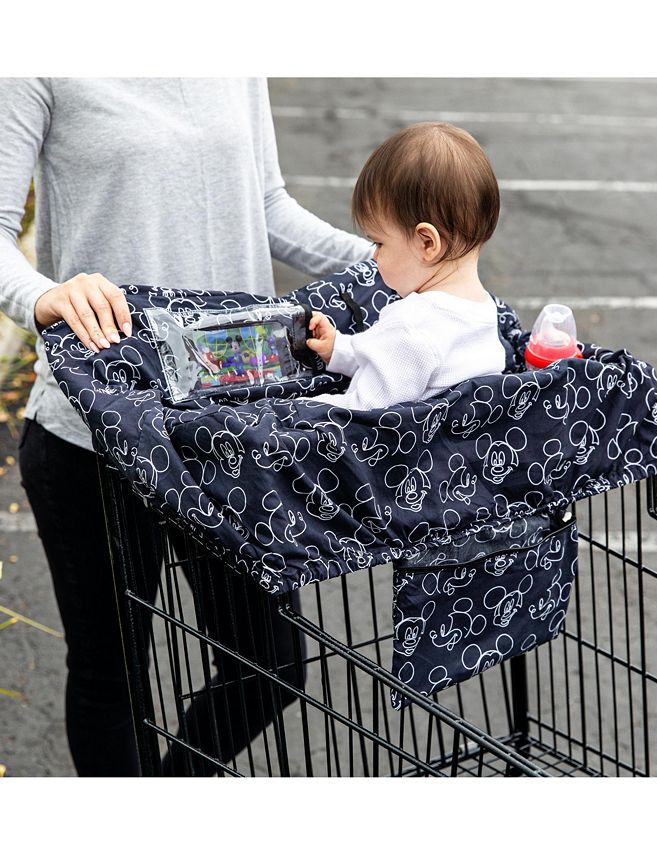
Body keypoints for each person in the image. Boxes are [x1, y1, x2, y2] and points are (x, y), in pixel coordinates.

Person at [0, 78, 372, 776]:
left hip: (230, 432)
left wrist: (401, 271)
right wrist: (46, 295)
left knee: (269, 664)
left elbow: (265, 205)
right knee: (115, 684)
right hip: (96, 433)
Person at [305, 122, 506, 409]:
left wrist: (294, 409)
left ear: (427, 243)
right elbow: (391, 365)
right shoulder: (482, 311)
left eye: (379, 243)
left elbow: (361, 412)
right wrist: (338, 348)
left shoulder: (412, 326)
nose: (373, 256)